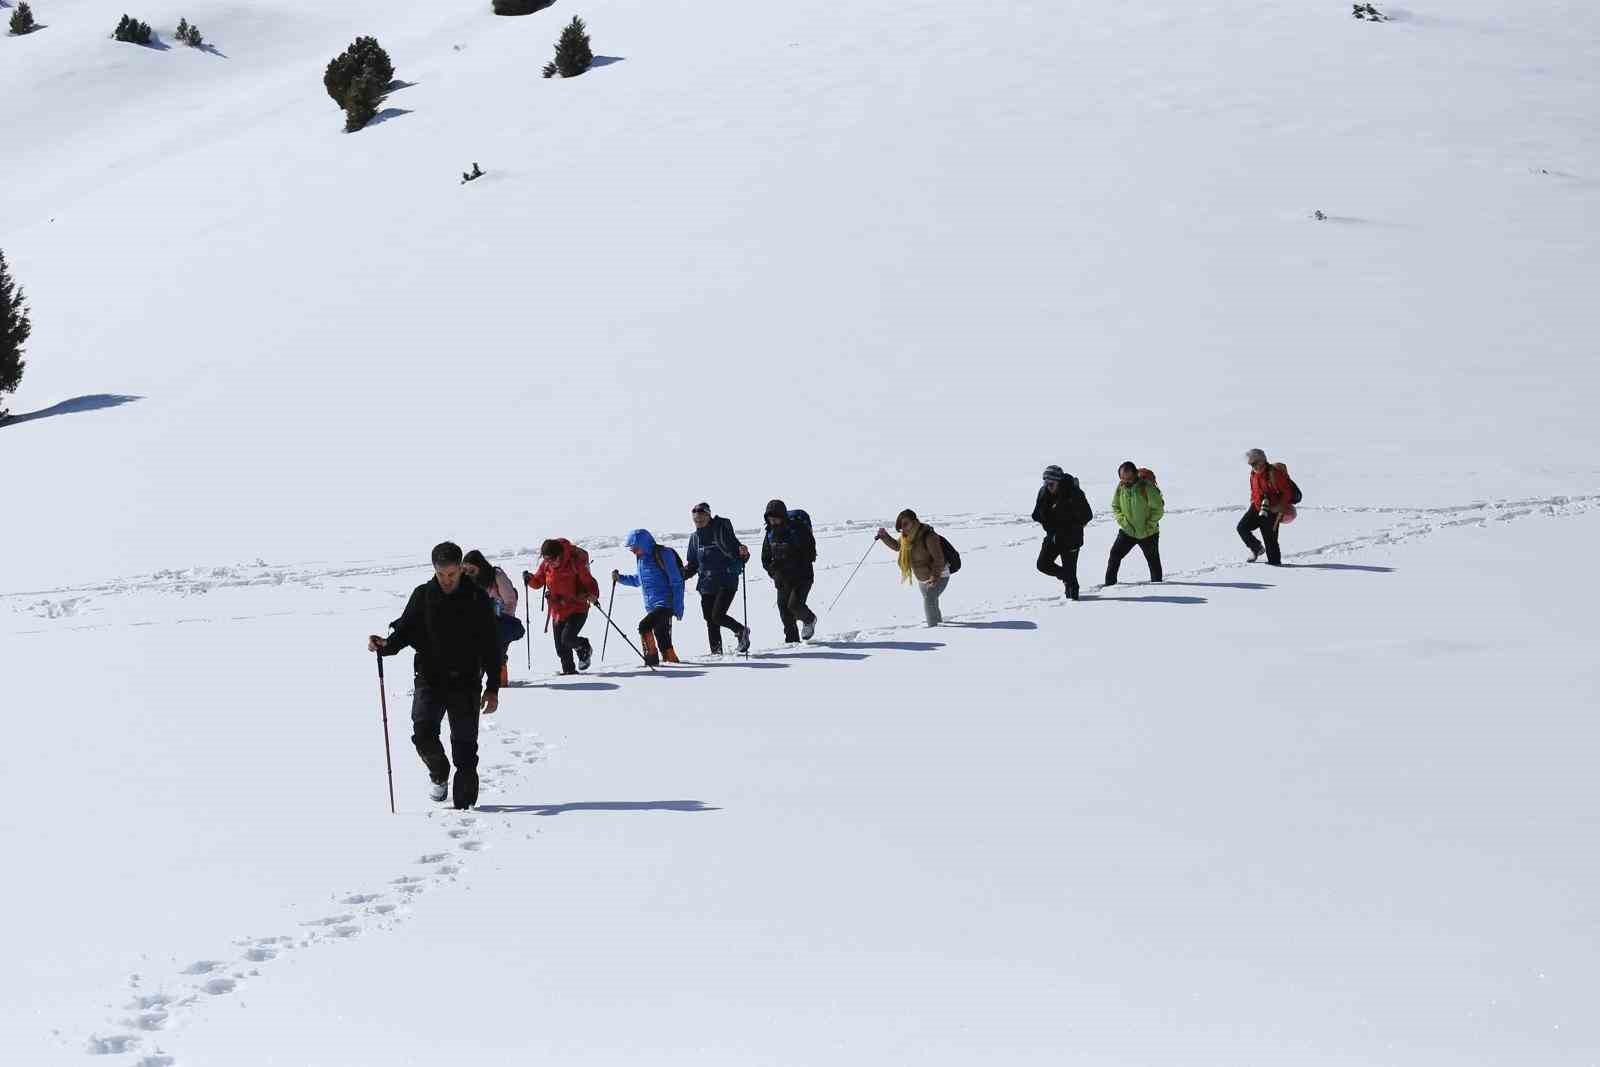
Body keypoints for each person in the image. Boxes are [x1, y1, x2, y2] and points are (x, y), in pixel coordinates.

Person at [366, 542, 500, 810]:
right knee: (423, 733)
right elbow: (403, 633)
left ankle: (466, 813)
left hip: (466, 682)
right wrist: (384, 645)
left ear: (461, 569)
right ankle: (439, 773)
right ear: (434, 570)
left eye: (452, 574)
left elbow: (491, 647)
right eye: (441, 574)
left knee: (465, 751)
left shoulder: (477, 599)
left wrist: (493, 687)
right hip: (430, 678)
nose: (447, 580)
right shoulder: (423, 595)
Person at [682, 502, 752, 655]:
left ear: (708, 516)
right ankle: (716, 653)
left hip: (726, 581)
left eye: (701, 519)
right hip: (706, 584)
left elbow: (739, 553)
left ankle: (741, 631)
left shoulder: (721, 531)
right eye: (696, 520)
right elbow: (693, 564)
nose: (698, 523)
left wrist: (744, 554)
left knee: (717, 616)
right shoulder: (695, 538)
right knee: (710, 619)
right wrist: (680, 577)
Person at [523, 538, 601, 674]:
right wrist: (529, 579)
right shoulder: (546, 565)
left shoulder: (575, 562)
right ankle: (569, 672)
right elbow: (538, 582)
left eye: (552, 560)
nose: (549, 563)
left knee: (568, 639)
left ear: (559, 555)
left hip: (577, 607)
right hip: (557, 610)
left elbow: (589, 581)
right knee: (561, 648)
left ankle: (584, 647)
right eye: (546, 560)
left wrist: (593, 594)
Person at [612, 529, 686, 666]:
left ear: (644, 544)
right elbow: (638, 580)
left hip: (666, 603)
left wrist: (678, 606)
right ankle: (671, 661)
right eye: (631, 549)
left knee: (644, 626)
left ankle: (651, 659)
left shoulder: (663, 554)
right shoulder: (641, 560)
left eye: (635, 548)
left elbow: (677, 581)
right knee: (661, 633)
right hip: (652, 605)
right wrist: (620, 578)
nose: (633, 551)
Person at [874, 509, 950, 626]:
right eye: (901, 526)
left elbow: (939, 559)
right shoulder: (906, 537)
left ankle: (935, 629)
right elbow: (898, 546)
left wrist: (934, 577)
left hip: (939, 575)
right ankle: (938, 623)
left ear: (914, 521)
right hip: (922, 577)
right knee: (931, 601)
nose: (903, 528)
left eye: (906, 524)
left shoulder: (929, 536)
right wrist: (884, 536)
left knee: (929, 601)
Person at [462, 549, 523, 686]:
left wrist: (499, 616)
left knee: (497, 655)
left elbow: (510, 600)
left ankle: (501, 685)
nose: (468, 574)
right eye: (465, 570)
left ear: (481, 566)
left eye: (471, 570)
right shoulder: (467, 581)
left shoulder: (497, 576)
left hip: (502, 623)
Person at [760, 499, 818, 643]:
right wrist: (774, 573)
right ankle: (792, 642)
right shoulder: (769, 534)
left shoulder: (797, 530)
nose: (773, 521)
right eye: (770, 518)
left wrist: (791, 562)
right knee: (784, 611)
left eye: (776, 517)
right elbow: (765, 559)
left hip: (802, 577)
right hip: (783, 579)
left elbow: (810, 553)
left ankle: (809, 619)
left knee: (795, 605)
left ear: (783, 516)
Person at [1032, 465, 1092, 600]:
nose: (1048, 486)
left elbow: (1087, 515)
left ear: (1059, 481)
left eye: (1051, 483)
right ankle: (1067, 576)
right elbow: (1036, 514)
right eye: (1045, 483)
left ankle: (1072, 590)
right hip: (1053, 537)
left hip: (1071, 539)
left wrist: (1070, 523)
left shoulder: (1074, 493)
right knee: (1042, 564)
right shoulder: (1043, 492)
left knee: (1072, 593)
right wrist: (1046, 518)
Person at [1105, 462, 1164, 585]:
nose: (1126, 481)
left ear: (1136, 474)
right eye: (1123, 478)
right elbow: (1116, 506)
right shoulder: (1120, 487)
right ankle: (1109, 586)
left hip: (1148, 533)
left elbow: (1158, 509)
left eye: (1129, 479)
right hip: (1128, 532)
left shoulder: (1147, 488)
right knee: (1114, 555)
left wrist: (1149, 526)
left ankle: (1158, 587)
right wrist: (1124, 523)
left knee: (1153, 562)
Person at [1237, 448, 1290, 565]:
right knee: (1242, 528)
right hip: (1256, 507)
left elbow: (1287, 492)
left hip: (1272, 510)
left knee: (1270, 540)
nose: (1253, 466)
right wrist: (1253, 500)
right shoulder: (1253, 474)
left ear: (1262, 460)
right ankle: (1257, 548)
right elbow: (1254, 490)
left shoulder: (1274, 473)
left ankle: (1274, 566)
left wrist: (1279, 507)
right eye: (1251, 464)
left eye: (1254, 463)